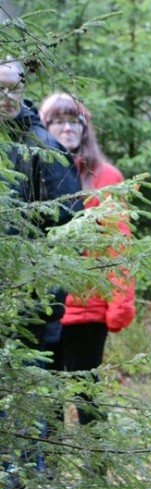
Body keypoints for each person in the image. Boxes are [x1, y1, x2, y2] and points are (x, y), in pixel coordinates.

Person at [39, 92, 136, 427]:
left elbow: (117, 243)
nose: (67, 128)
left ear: (84, 128)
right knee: (44, 400)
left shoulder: (107, 178)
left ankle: (97, 473)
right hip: (43, 309)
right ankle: (45, 475)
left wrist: (119, 303)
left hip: (87, 309)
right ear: (45, 126)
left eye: (73, 121)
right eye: (58, 122)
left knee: (87, 396)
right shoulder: (33, 172)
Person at [1, 60, 83, 351]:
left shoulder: (43, 148)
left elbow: (70, 226)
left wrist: (39, 292)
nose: (7, 98)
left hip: (30, 312)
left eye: (14, 89)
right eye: (0, 90)